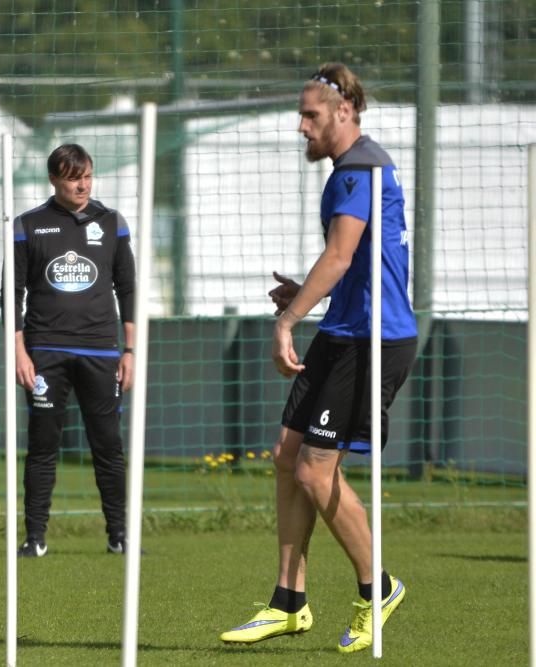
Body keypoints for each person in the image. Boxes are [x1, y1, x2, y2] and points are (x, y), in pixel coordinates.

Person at [220, 63, 417, 654]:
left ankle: (377, 588)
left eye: (310, 114)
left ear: (345, 112)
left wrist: (288, 319)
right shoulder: (348, 170)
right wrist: (305, 293)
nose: (299, 125)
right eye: (300, 113)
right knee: (287, 455)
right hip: (344, 330)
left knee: (313, 468)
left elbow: (340, 253)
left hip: (373, 340)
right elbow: (350, 265)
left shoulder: (360, 167)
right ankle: (288, 602)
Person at [9, 143, 136, 558]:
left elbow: (128, 288)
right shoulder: (29, 225)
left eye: (87, 176)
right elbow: (12, 292)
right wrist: (19, 350)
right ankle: (36, 538)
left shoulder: (112, 222)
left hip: (101, 352)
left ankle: (120, 535)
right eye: (72, 177)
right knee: (43, 446)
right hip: (45, 352)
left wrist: (130, 349)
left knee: (108, 446)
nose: (82, 184)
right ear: (53, 179)